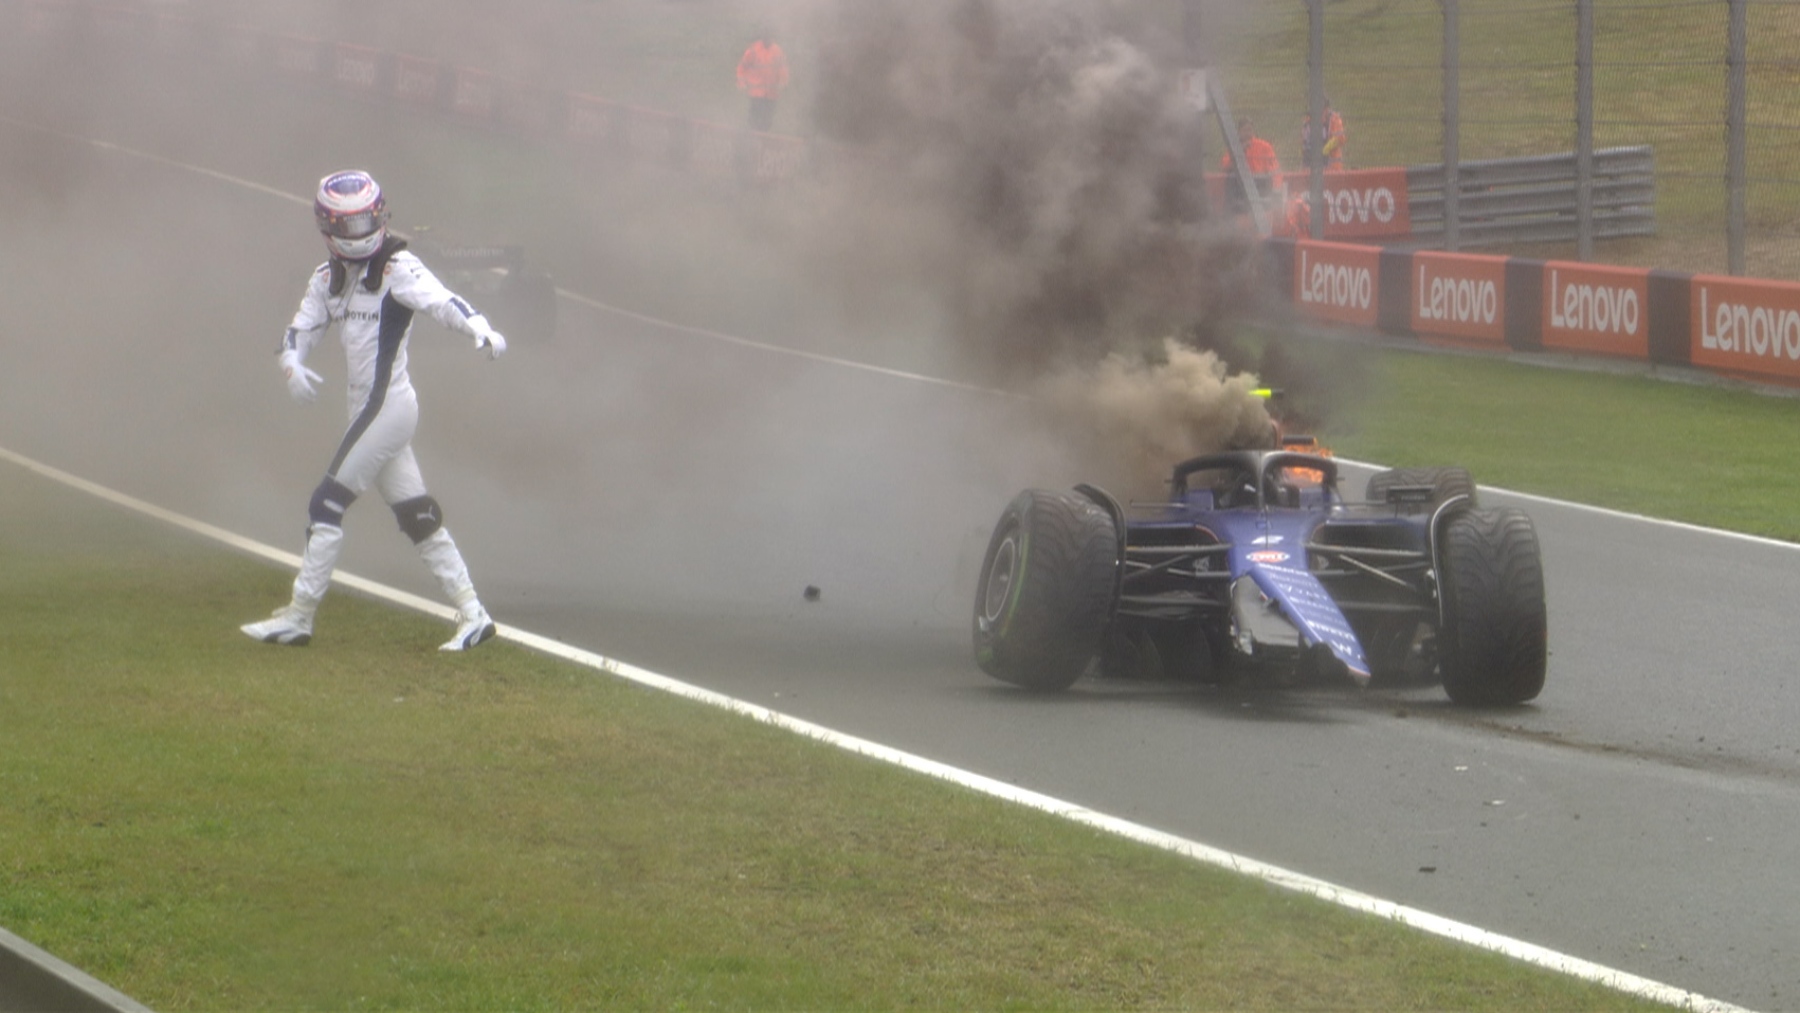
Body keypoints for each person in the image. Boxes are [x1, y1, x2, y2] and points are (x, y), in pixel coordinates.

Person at [241, 170, 507, 652]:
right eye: (349, 224)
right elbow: (299, 330)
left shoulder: (397, 268)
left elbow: (444, 302)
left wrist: (480, 328)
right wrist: (291, 364)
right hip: (366, 410)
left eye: (367, 220)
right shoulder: (327, 278)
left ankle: (300, 615)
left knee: (326, 503)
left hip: (388, 407)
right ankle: (475, 615)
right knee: (416, 514)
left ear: (381, 216)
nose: (360, 232)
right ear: (328, 229)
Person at [1220, 117, 1281, 210]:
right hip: (1239, 184)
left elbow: (1274, 169)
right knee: (1230, 179)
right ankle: (1229, 217)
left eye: (1249, 130)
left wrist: (1277, 187)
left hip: (1259, 182)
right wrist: (1240, 151)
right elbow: (1225, 167)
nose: (1247, 133)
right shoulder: (1234, 147)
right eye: (1244, 130)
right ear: (1239, 132)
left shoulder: (1264, 146)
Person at [736, 29, 790, 132]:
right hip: (756, 94)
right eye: (765, 36)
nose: (767, 39)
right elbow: (742, 67)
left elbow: (783, 69)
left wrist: (783, 82)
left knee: (767, 122)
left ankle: (762, 143)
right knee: (754, 121)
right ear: (762, 37)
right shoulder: (753, 50)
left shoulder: (777, 51)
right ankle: (753, 140)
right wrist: (742, 82)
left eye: (769, 36)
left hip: (771, 95)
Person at [1301, 98, 1346, 171]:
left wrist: (1325, 149)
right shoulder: (1308, 120)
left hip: (1333, 169)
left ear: (1326, 109)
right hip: (1311, 170)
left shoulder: (1334, 119)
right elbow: (1304, 144)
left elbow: (1340, 138)